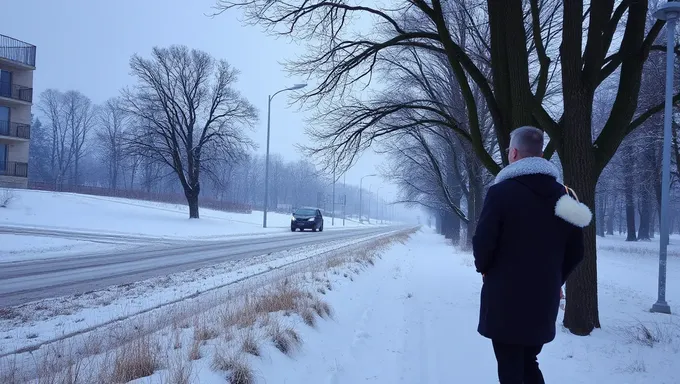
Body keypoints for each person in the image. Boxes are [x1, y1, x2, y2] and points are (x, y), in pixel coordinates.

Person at [473, 126, 591, 384]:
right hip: (543, 298)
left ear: (513, 153)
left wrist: (485, 268)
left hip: (505, 298)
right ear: (539, 154)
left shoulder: (500, 193)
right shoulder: (565, 196)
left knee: (510, 365)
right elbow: (577, 250)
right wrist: (555, 279)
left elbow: (483, 244)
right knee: (529, 361)